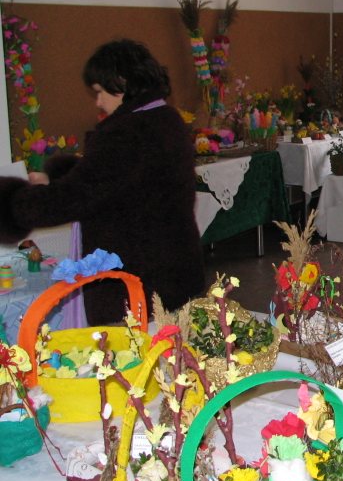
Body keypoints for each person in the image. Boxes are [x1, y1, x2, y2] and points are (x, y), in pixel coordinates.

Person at [0, 39, 205, 324]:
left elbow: (76, 197)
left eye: (100, 92)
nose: (98, 102)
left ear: (121, 81)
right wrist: (58, 177)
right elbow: (120, 181)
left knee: (134, 351)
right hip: (172, 269)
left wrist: (11, 202)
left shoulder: (126, 132)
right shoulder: (164, 118)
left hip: (137, 281)